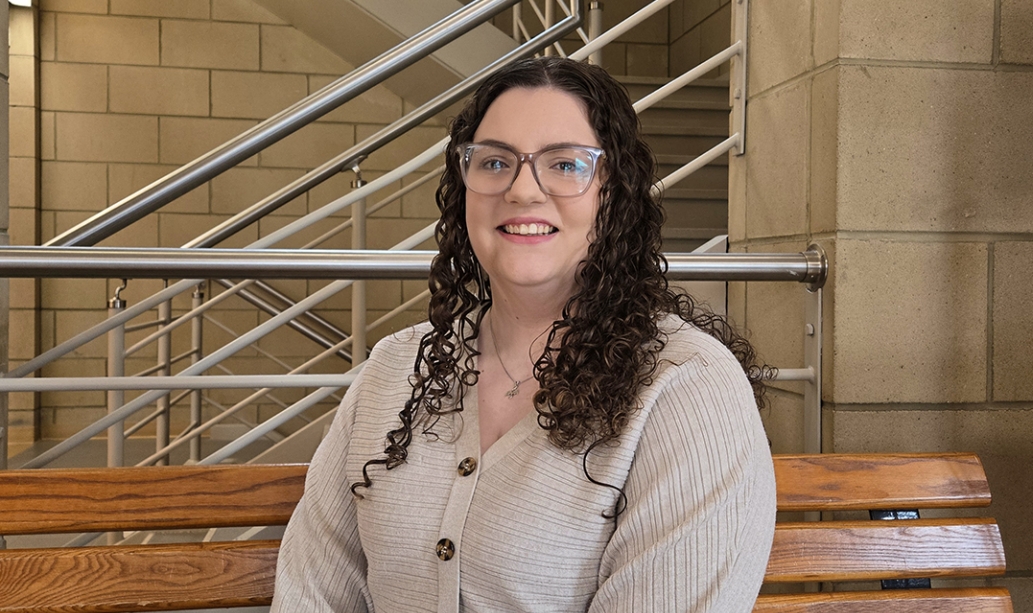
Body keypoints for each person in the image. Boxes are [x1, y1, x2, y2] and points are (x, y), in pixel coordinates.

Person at [271, 57, 776, 613]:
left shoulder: (687, 390)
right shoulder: (393, 370)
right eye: (494, 162)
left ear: (615, 194)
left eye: (564, 164)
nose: (522, 190)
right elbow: (313, 590)